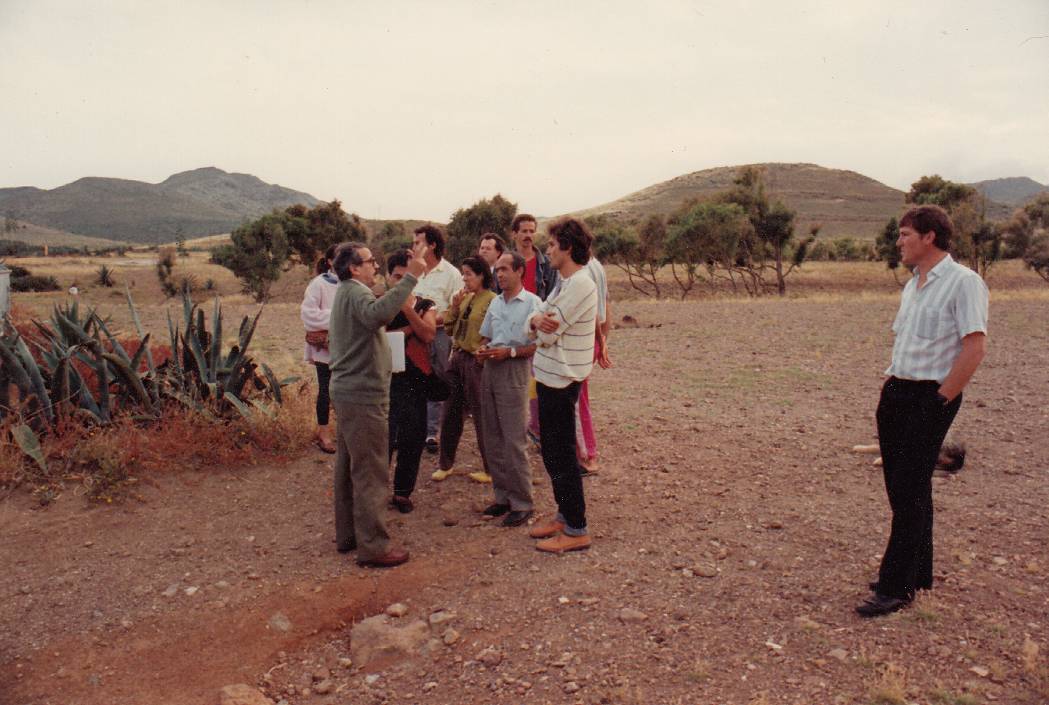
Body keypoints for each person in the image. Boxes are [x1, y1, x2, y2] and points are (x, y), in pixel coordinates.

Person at [857, 204, 988, 617]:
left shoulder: (964, 283)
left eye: (904, 235)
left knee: (909, 492)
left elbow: (974, 347)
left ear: (929, 236)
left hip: (930, 397)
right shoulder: (912, 285)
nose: (898, 243)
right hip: (896, 391)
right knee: (905, 487)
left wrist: (939, 401)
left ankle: (896, 587)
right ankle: (919, 572)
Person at [329, 239, 428, 568]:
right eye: (370, 261)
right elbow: (379, 314)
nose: (375, 266)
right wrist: (412, 277)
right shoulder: (356, 292)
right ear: (354, 268)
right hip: (363, 395)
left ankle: (349, 536)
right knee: (371, 471)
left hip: (347, 391)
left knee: (349, 468)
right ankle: (373, 547)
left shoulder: (345, 292)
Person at [526, 218, 598, 554]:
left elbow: (548, 330)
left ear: (567, 247)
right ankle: (563, 514)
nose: (548, 250)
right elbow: (537, 318)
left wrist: (539, 322)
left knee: (562, 453)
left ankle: (576, 528)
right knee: (552, 452)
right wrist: (537, 320)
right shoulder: (563, 282)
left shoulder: (581, 284)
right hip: (548, 375)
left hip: (562, 378)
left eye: (553, 244)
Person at [475, 252, 541, 527]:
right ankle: (502, 498)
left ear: (519, 272)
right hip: (491, 369)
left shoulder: (533, 304)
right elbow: (487, 335)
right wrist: (482, 350)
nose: (499, 274)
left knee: (513, 439)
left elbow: (538, 344)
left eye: (504, 269)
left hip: (514, 370)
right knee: (492, 437)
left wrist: (511, 352)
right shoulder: (495, 303)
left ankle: (522, 502)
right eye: (497, 270)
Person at [433, 256, 497, 483]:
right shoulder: (465, 298)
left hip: (476, 362)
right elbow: (450, 330)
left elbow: (495, 331)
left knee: (481, 415)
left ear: (481, 275)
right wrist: (454, 307)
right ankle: (445, 464)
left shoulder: (492, 300)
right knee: (450, 412)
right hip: (457, 358)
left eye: (469, 273)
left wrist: (484, 351)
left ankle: (491, 469)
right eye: (463, 273)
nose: (464, 278)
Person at [384, 249, 438, 513]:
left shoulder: (424, 304)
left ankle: (403, 492)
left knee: (413, 436)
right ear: (388, 277)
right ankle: (376, 490)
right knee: (383, 437)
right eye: (397, 277)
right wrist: (407, 330)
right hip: (385, 381)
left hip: (415, 379)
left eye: (407, 277)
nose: (401, 282)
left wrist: (407, 311)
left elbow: (429, 334)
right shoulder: (379, 303)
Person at [411, 224, 461, 453]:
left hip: (439, 333)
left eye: (418, 243)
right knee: (414, 376)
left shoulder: (450, 274)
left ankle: (432, 433)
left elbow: (456, 309)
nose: (414, 247)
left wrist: (431, 322)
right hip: (412, 335)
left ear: (432, 245)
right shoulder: (413, 271)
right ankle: (414, 429)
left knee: (437, 376)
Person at [512, 213, 557, 446]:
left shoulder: (545, 263)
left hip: (536, 330)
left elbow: (552, 295)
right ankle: (517, 432)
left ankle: (538, 430)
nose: (529, 236)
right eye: (524, 231)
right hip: (512, 331)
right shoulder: (506, 262)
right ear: (514, 234)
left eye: (532, 231)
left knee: (537, 382)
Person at [300, 245, 339, 453]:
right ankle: (323, 433)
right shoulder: (319, 284)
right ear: (331, 261)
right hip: (326, 347)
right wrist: (340, 316)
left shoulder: (351, 284)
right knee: (326, 389)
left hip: (348, 347)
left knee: (345, 389)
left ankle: (345, 432)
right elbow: (308, 315)